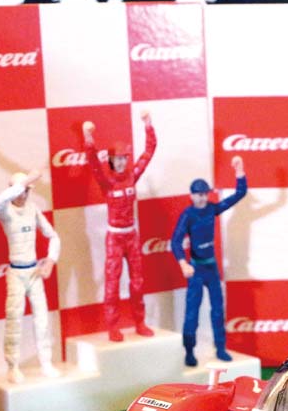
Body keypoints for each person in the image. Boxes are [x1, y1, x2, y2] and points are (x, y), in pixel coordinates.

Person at [82, 111, 157, 342]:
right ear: (111, 161)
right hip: (115, 238)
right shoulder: (106, 181)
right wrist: (88, 138)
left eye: (125, 158)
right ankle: (113, 326)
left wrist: (148, 125)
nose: (122, 162)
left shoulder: (132, 176)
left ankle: (140, 322)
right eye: (118, 159)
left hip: (131, 236)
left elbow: (149, 152)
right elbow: (93, 162)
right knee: (113, 283)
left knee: (138, 283)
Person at [171, 155, 248, 366]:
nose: (203, 198)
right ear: (191, 195)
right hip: (195, 269)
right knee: (192, 313)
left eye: (205, 194)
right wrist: (183, 263)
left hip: (211, 268)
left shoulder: (212, 209)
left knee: (217, 310)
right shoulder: (188, 215)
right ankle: (189, 351)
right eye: (199, 194)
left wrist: (239, 171)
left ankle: (220, 347)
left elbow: (239, 194)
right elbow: (175, 241)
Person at [0, 170, 60, 383]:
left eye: (27, 191)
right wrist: (25, 182)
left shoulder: (33, 209)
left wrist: (50, 261)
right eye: (21, 191)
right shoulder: (5, 211)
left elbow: (53, 236)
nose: (23, 195)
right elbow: (1, 199)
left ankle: (46, 362)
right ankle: (12, 366)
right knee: (14, 319)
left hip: (34, 272)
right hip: (16, 272)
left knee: (42, 319)